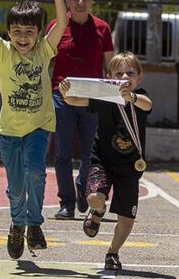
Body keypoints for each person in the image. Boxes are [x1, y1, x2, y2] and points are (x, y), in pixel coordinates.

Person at [0, 0, 67, 259]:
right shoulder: (2, 51)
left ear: (39, 33)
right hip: (9, 131)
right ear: (8, 33)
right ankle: (17, 224)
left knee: (36, 173)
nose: (22, 37)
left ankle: (34, 225)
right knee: (15, 187)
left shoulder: (45, 50)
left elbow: (62, 21)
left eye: (29, 32)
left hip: (39, 126)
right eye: (16, 31)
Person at [58, 52, 152, 271]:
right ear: (109, 76)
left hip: (130, 166)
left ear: (139, 78)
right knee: (93, 197)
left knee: (126, 218)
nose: (124, 77)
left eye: (130, 73)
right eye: (118, 73)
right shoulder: (104, 97)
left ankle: (112, 252)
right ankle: (98, 212)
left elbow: (148, 105)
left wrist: (133, 98)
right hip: (102, 160)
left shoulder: (140, 97)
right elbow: (75, 100)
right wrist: (65, 93)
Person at [46, 0, 114, 219]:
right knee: (62, 153)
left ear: (92, 1)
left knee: (90, 153)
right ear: (67, 2)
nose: (81, 2)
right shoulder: (56, 26)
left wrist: (116, 93)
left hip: (94, 100)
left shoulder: (102, 28)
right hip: (62, 98)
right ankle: (66, 202)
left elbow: (111, 66)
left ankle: (84, 187)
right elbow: (45, 61)